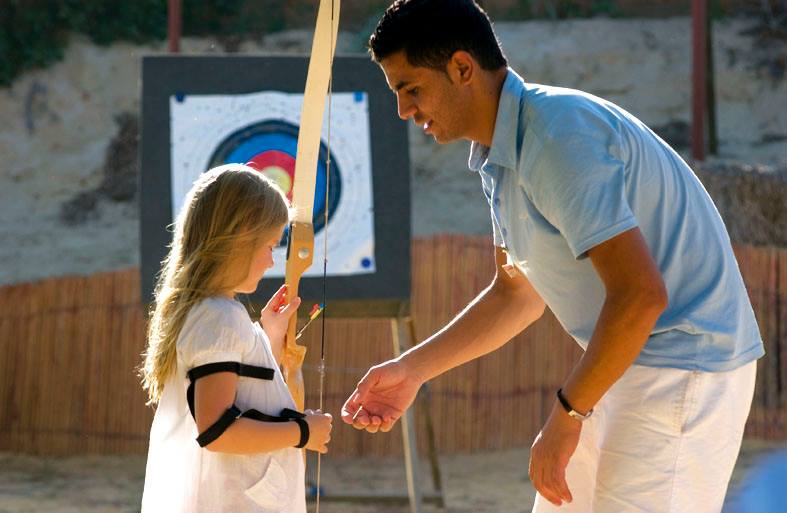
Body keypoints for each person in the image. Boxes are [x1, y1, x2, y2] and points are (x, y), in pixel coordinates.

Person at [340, 1, 764, 512]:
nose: (403, 110)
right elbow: (516, 294)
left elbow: (640, 296)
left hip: (684, 368)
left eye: (411, 89)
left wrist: (567, 414)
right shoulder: (503, 149)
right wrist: (412, 370)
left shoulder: (556, 135)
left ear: (462, 68)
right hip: (622, 362)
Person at [139, 164, 332, 513]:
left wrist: (268, 338)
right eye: (269, 245)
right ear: (240, 237)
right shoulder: (219, 317)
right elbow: (217, 430)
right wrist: (303, 432)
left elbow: (241, 392)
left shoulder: (211, 313)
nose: (271, 261)